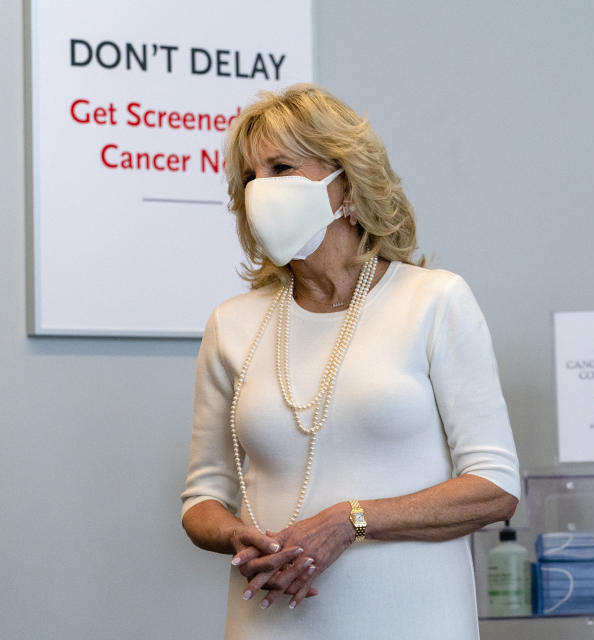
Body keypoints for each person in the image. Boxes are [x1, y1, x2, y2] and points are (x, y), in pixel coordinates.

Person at [180, 84, 520, 639]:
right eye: (250, 177)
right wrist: (236, 536)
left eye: (282, 167)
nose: (261, 189)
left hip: (414, 621)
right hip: (268, 620)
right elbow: (202, 498)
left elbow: (495, 486)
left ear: (347, 184)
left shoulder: (433, 301)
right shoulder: (232, 324)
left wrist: (348, 521)